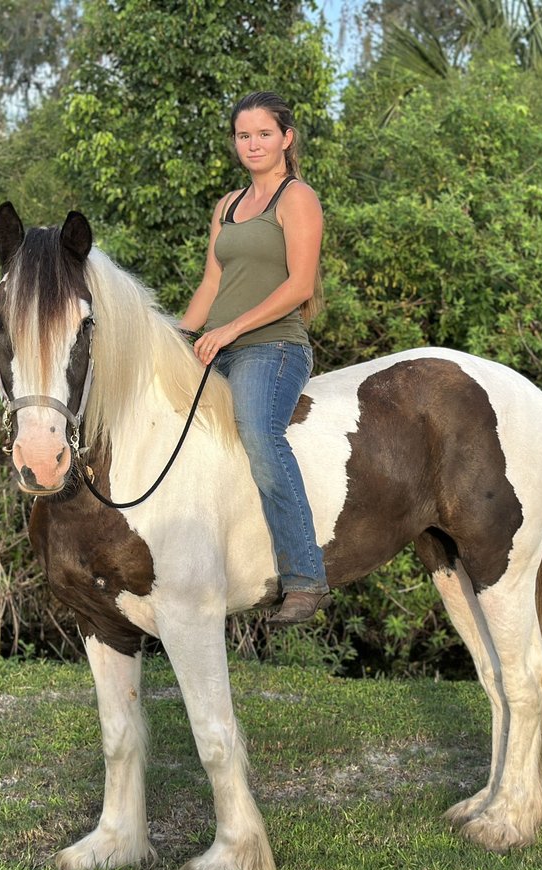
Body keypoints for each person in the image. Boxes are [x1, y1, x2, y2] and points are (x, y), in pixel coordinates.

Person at [178, 91, 330, 626]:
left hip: (273, 347)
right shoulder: (227, 205)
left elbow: (299, 285)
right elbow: (212, 282)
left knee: (261, 437)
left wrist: (231, 330)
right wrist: (179, 334)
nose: (253, 144)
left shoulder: (296, 199)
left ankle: (305, 577)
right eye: (244, 135)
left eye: (264, 134)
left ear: (286, 138)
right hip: (217, 345)